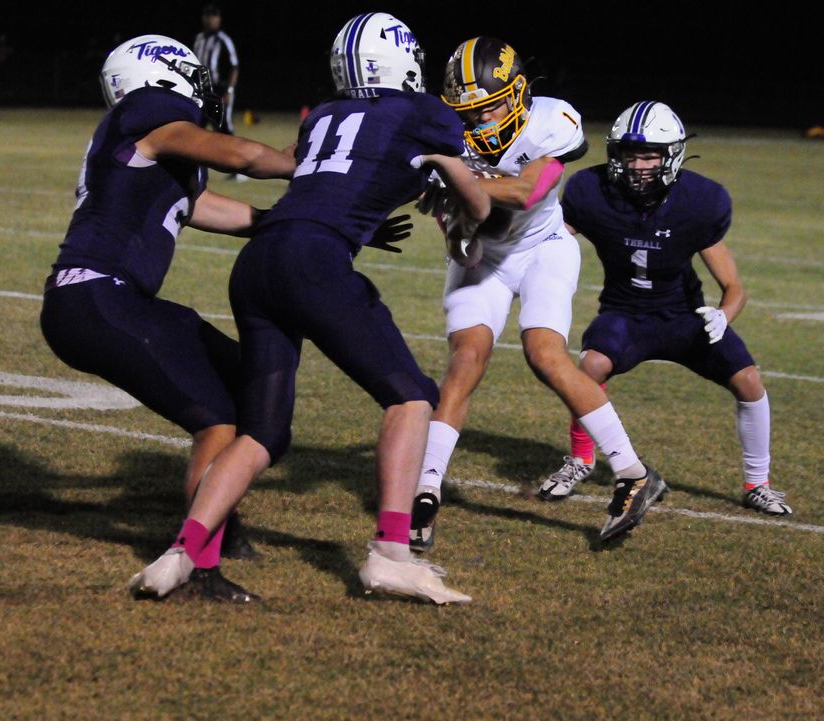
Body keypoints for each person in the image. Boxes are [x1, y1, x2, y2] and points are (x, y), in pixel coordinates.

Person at [127, 12, 489, 605]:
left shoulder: (323, 113)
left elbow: (326, 171)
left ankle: (180, 555)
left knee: (264, 430)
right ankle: (391, 555)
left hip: (259, 261)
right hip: (313, 261)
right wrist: (457, 192)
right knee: (412, 395)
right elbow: (473, 200)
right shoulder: (426, 113)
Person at [39, 34, 301, 594]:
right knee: (216, 416)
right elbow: (243, 156)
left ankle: (218, 521)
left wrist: (297, 221)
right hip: (96, 294)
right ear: (160, 75)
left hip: (113, 297)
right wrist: (305, 169)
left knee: (241, 374)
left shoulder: (148, 150)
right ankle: (199, 562)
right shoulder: (149, 110)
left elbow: (207, 208)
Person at [409, 37, 667, 552]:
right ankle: (425, 489)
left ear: (517, 93)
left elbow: (528, 189)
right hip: (484, 254)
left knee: (545, 354)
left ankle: (635, 474)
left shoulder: (549, 121)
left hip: (544, 247)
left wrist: (456, 176)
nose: (479, 123)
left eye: (488, 109)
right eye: (469, 113)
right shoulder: (443, 134)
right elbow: (433, 207)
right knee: (466, 358)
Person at [536, 100, 791, 517]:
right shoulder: (591, 191)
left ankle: (758, 483)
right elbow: (551, 241)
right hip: (624, 313)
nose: (638, 165)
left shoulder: (698, 201)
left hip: (683, 316)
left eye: (650, 155)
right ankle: (579, 461)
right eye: (630, 155)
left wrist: (723, 314)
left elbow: (734, 286)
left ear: (671, 155)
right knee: (591, 365)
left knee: (747, 379)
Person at [192, 4, 244, 180]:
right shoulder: (199, 38)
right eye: (208, 15)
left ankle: (236, 169)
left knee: (224, 128)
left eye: (214, 16)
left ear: (219, 19)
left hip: (219, 89)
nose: (210, 19)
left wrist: (229, 90)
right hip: (201, 89)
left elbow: (234, 67)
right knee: (195, 126)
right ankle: (193, 165)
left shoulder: (224, 40)